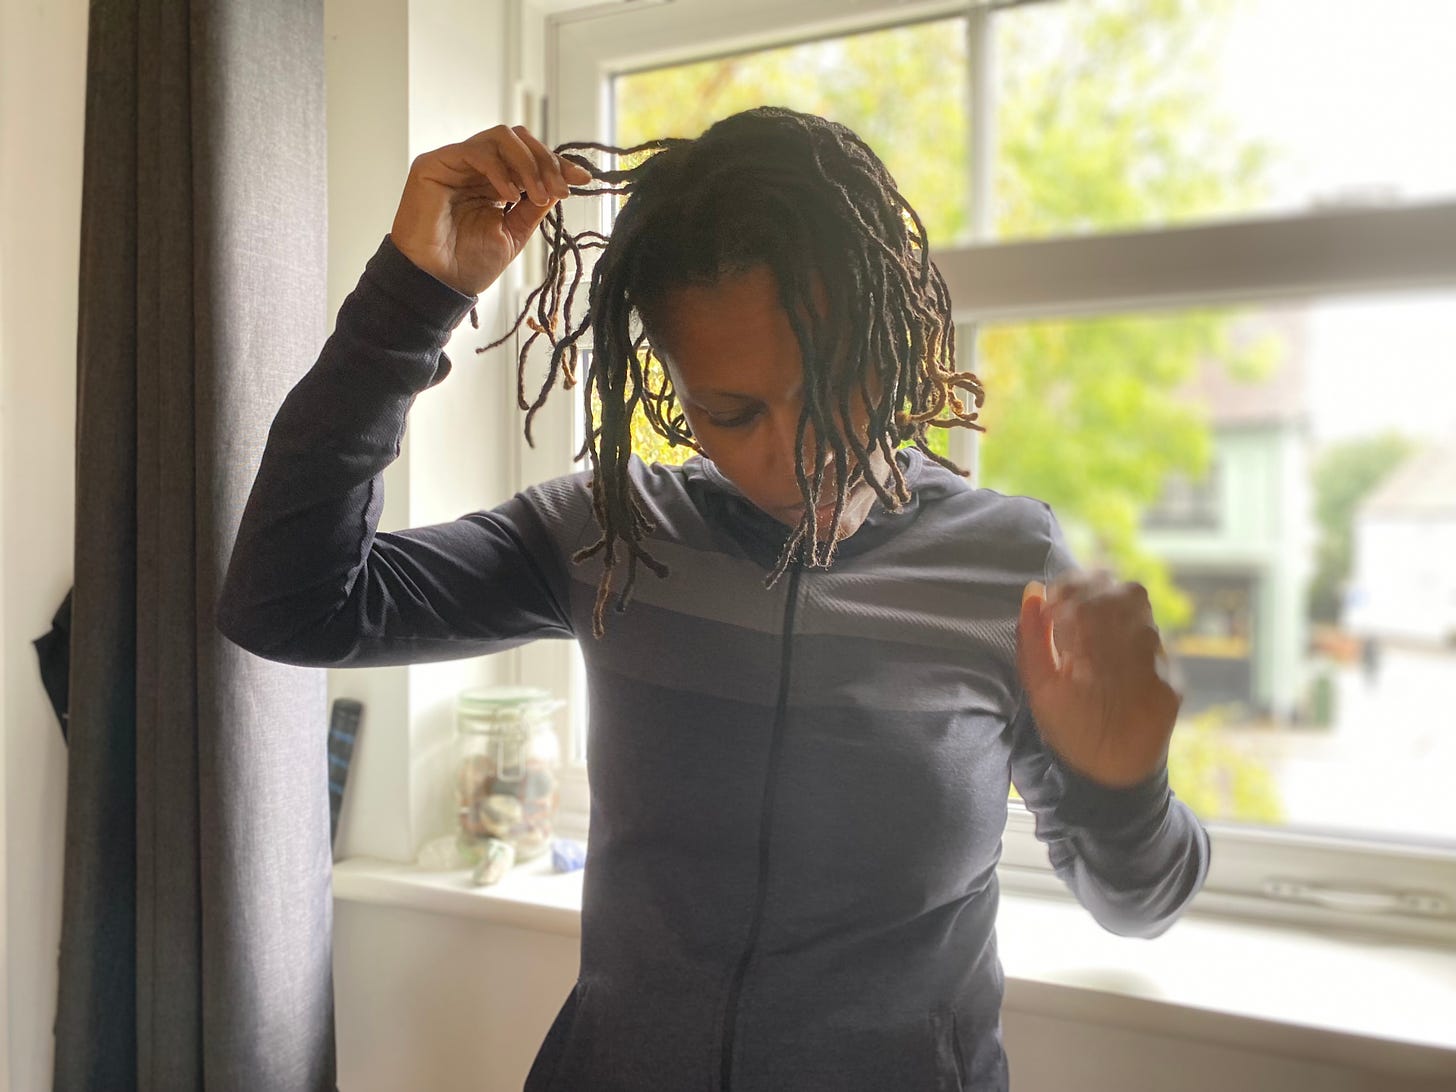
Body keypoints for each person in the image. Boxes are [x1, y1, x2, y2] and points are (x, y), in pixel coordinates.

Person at [218, 108, 1209, 1092]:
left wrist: (1126, 790)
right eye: (733, 413)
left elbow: (1140, 904)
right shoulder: (611, 533)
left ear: (896, 333)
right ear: (671, 397)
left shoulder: (1007, 569)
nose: (802, 453)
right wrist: (408, 303)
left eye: (838, 384)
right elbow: (289, 602)